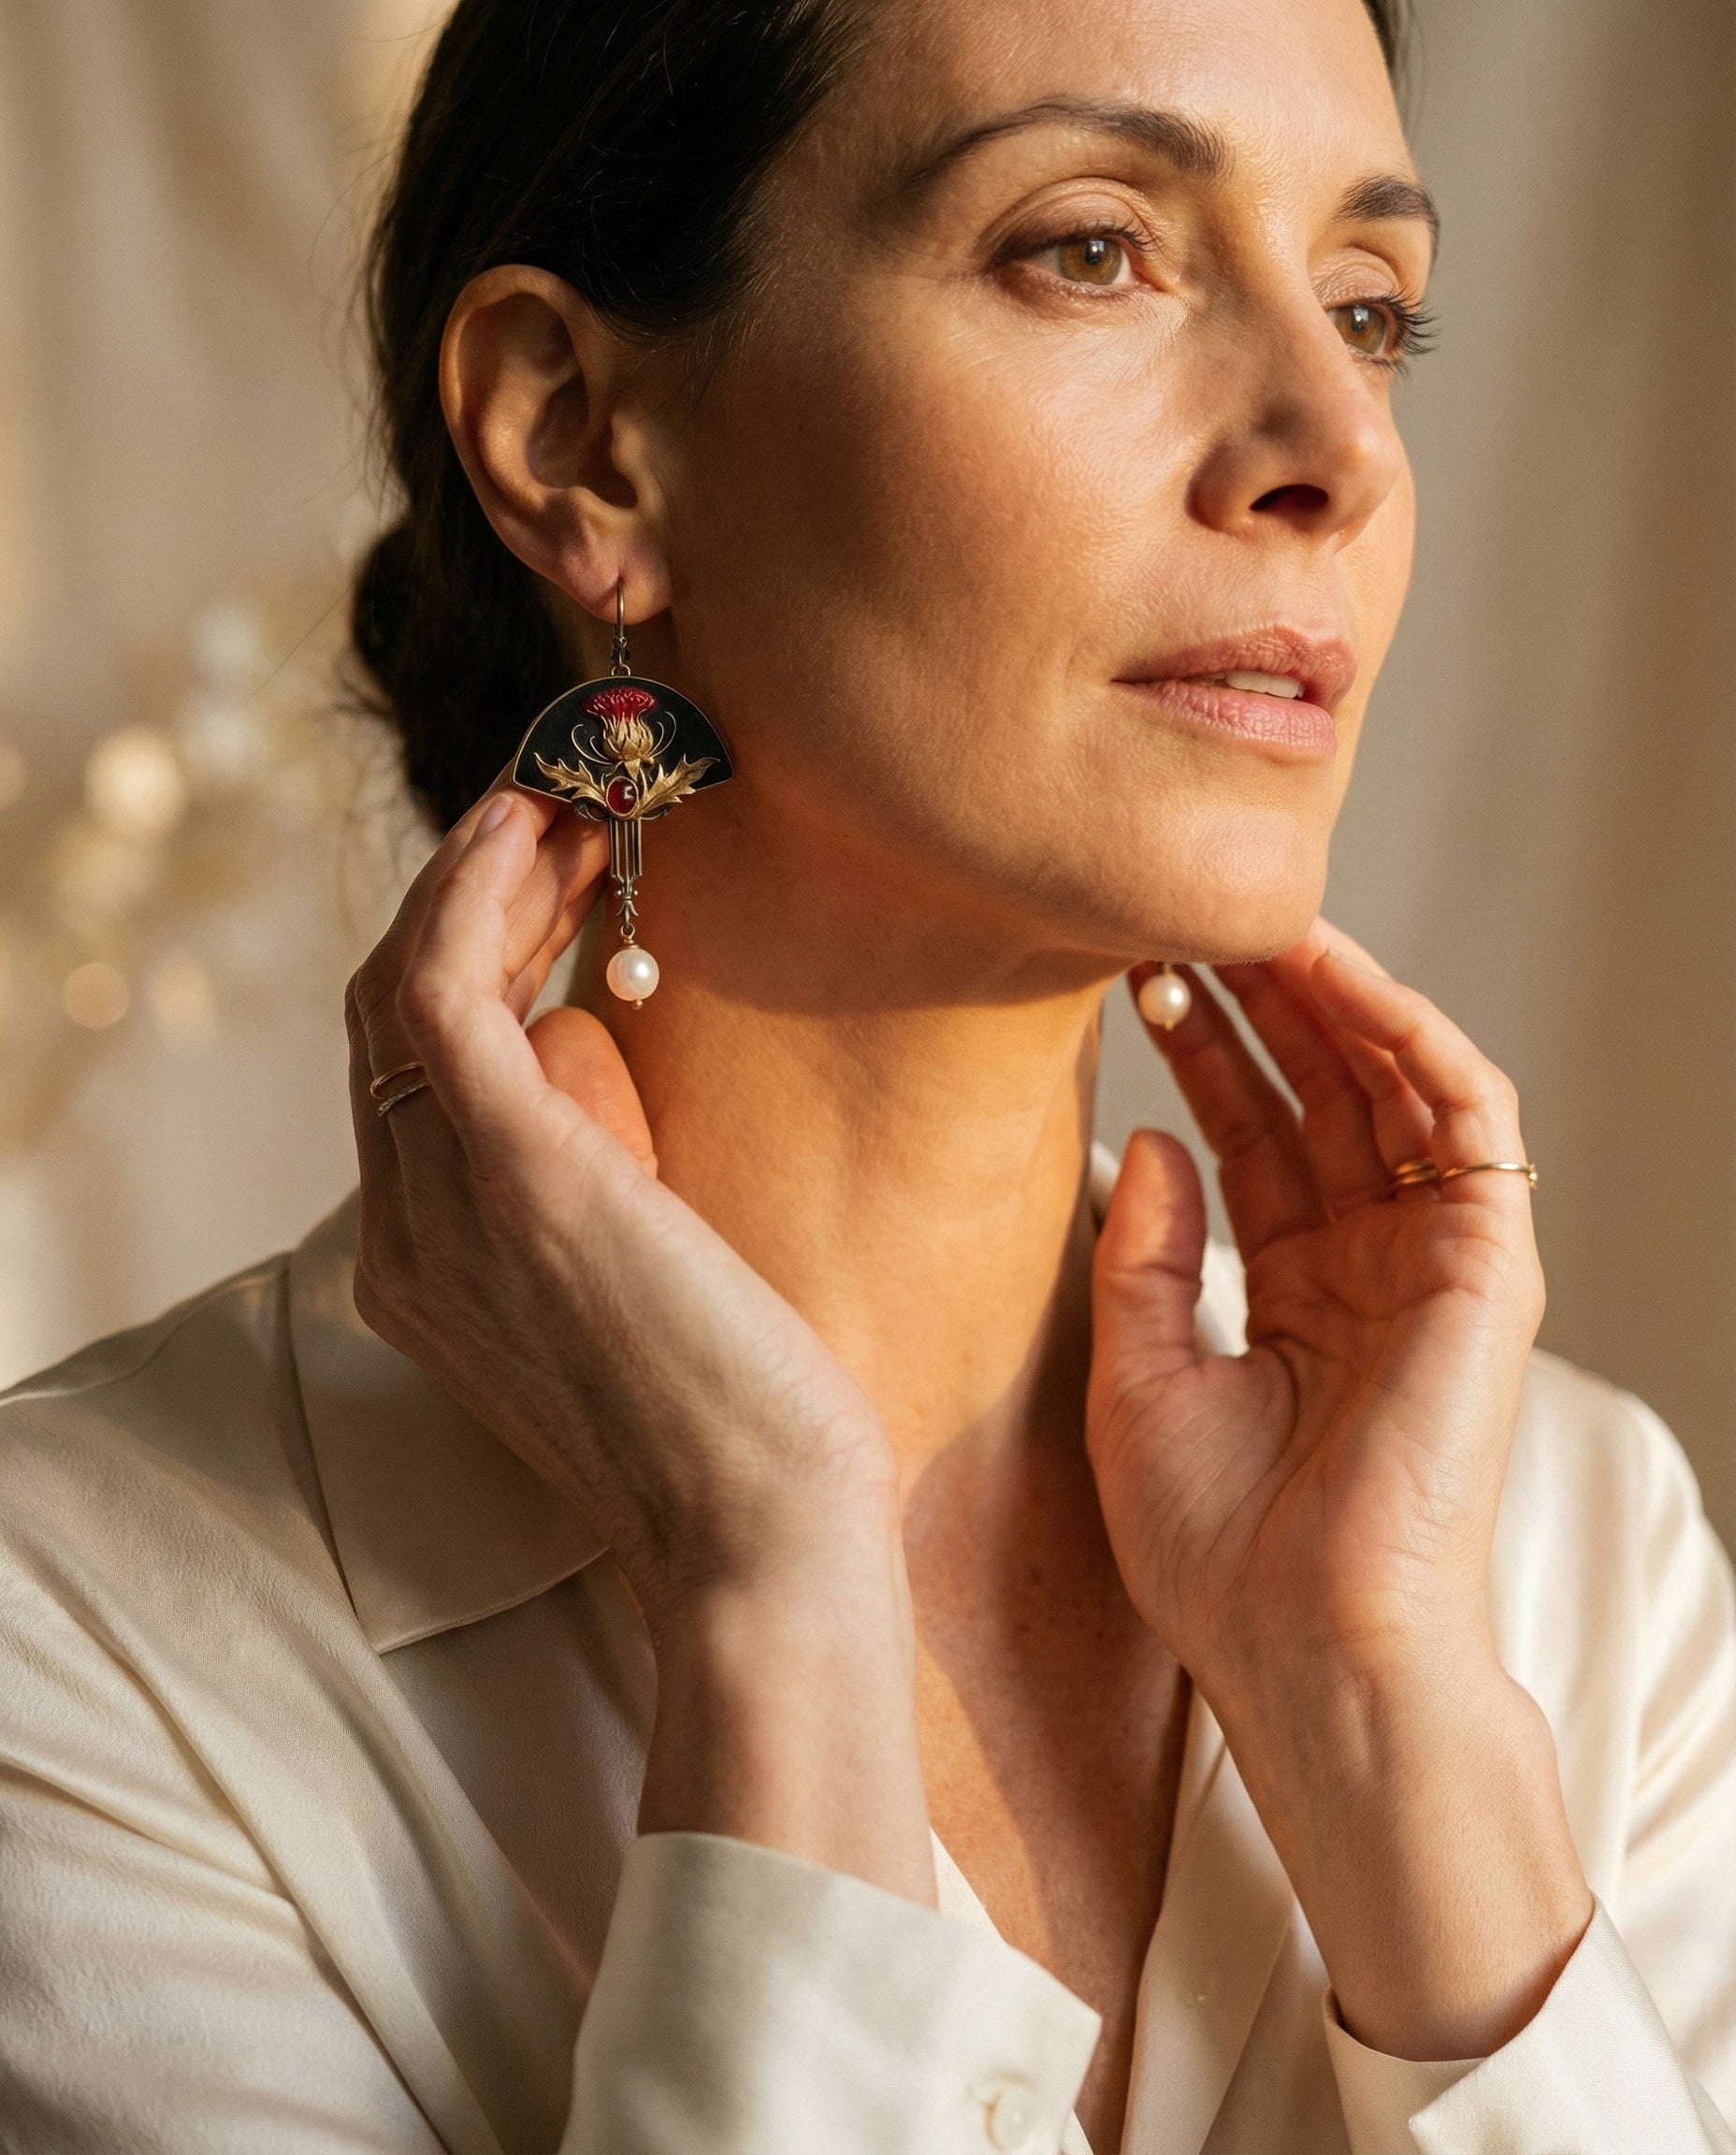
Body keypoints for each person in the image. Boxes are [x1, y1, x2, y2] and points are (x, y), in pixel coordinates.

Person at [1, 0, 1732, 2148]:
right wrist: (769, 1578)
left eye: (1373, 306)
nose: (1335, 445)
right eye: (1092, 248)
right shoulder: (69, 1641)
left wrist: (1380, 1718)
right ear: (575, 436)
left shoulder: (1566, 1550)